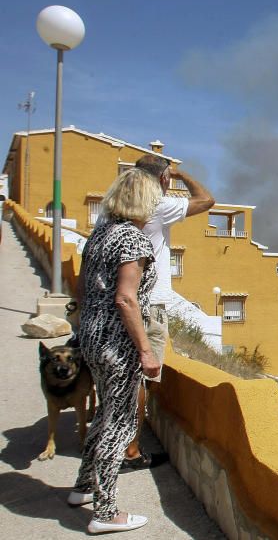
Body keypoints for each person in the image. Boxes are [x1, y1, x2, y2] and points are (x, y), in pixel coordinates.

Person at [68, 168, 162, 533]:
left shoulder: (100, 235)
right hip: (117, 342)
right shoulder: (133, 240)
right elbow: (126, 299)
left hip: (91, 336)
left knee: (106, 413)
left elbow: (81, 289)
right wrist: (146, 351)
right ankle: (106, 513)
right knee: (120, 425)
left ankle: (82, 487)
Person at [120, 154, 213, 469]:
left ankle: (116, 437)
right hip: (150, 303)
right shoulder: (159, 206)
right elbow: (207, 200)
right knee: (141, 380)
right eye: (167, 178)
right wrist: (181, 174)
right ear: (162, 179)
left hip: (123, 302)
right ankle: (131, 449)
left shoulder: (117, 210)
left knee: (123, 375)